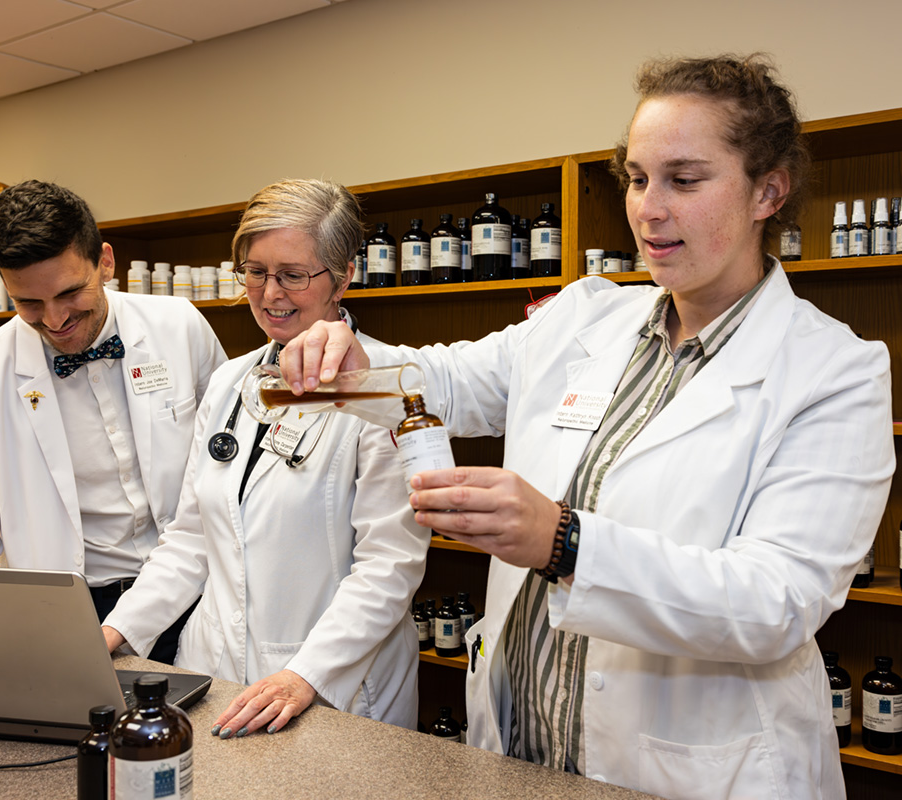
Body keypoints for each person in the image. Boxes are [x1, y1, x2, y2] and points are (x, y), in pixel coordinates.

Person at [278, 55, 895, 799]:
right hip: (521, 755)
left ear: (769, 190)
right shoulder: (585, 316)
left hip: (689, 772)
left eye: (684, 179)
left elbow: (776, 602)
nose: (647, 208)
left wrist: (565, 542)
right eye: (637, 178)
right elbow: (444, 380)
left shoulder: (834, 370)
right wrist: (348, 355)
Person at [102, 178, 428, 736]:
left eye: (293, 275)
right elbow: (192, 537)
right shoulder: (231, 381)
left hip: (333, 685)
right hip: (216, 673)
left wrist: (304, 674)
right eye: (255, 272)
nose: (270, 293)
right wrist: (117, 631)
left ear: (343, 276)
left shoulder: (386, 385)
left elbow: (389, 566)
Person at [0, 180, 228, 664]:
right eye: (28, 303)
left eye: (70, 292)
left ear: (105, 261)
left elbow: (225, 462)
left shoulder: (179, 325)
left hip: (198, 589)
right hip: (67, 611)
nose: (55, 319)